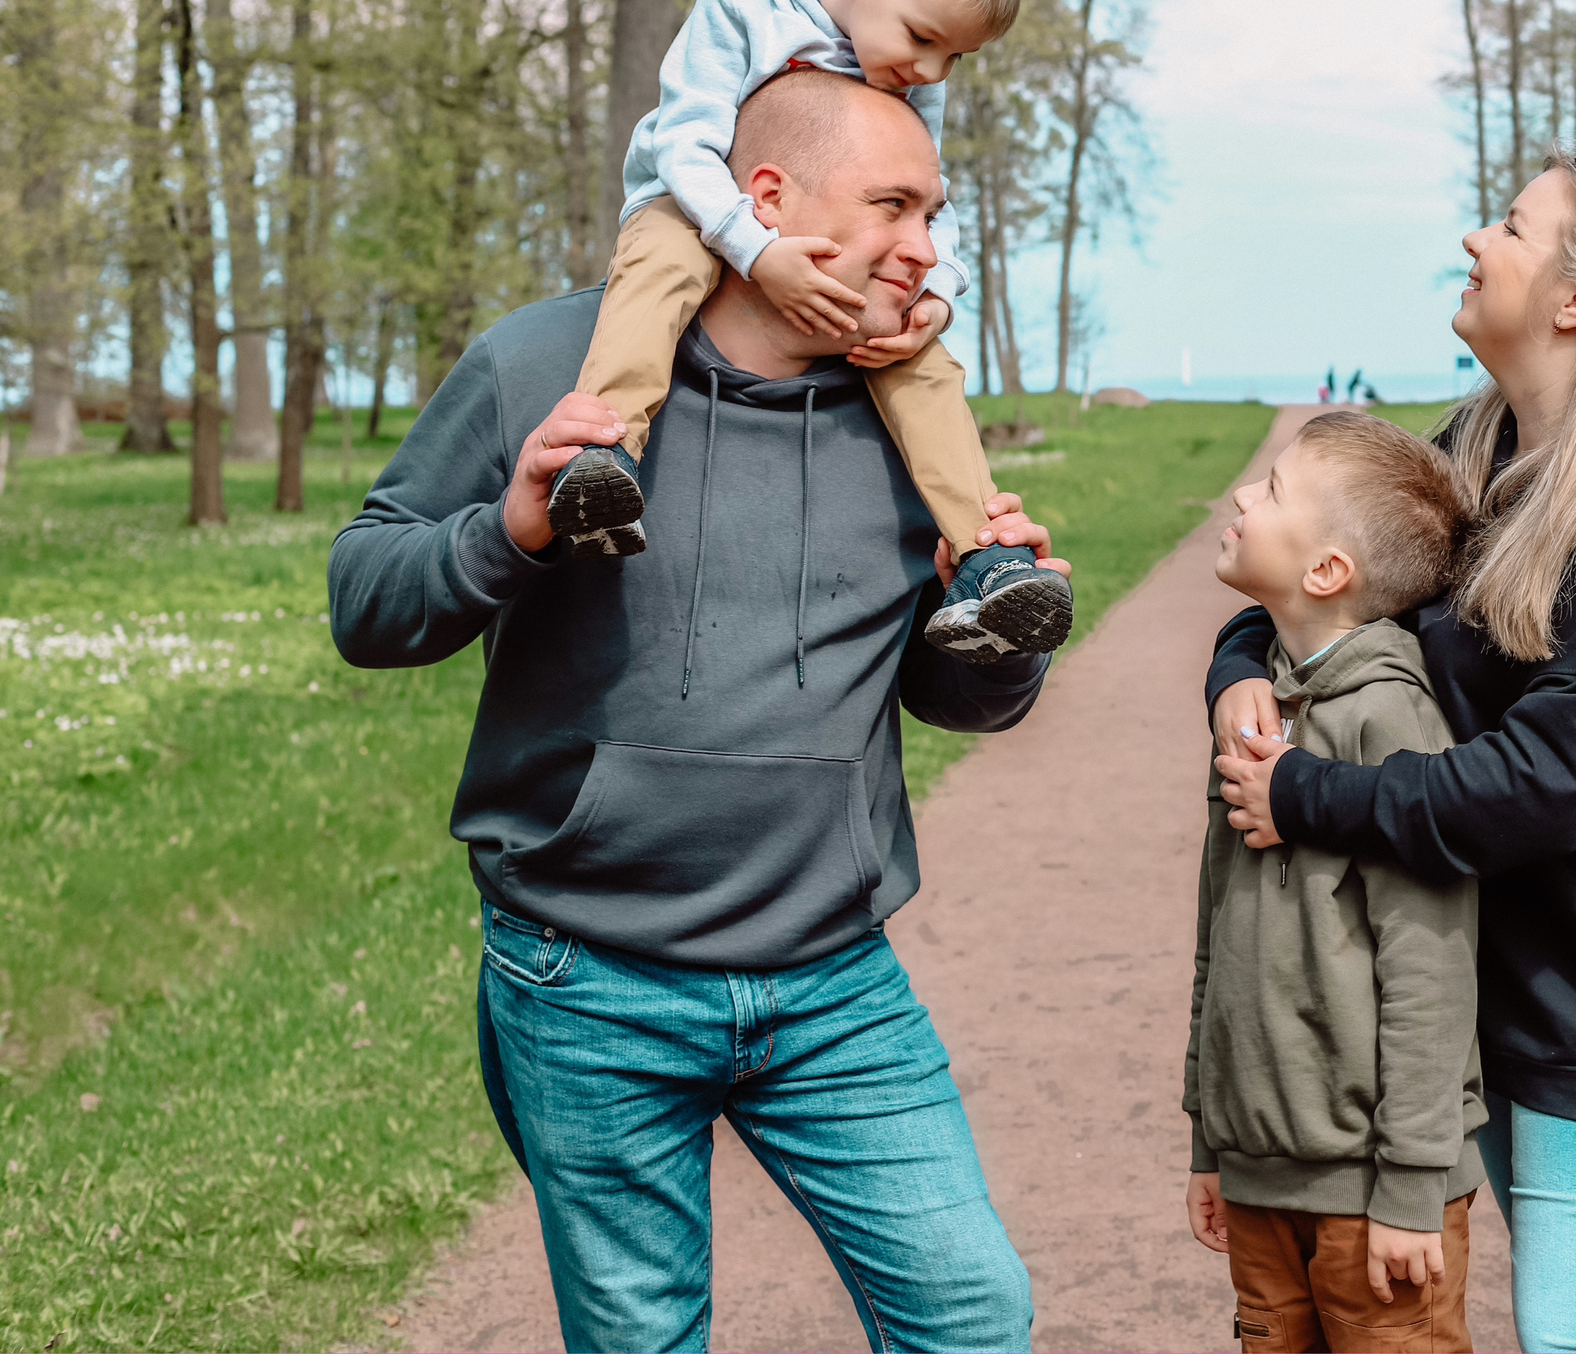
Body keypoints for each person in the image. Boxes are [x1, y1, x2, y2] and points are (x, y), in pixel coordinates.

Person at [330, 72, 1061, 1353]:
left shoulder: (912, 412)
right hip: (586, 979)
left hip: (833, 981)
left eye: (934, 212)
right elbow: (365, 600)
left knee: (974, 1316)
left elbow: (946, 695)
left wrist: (995, 643)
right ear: (765, 199)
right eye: (893, 204)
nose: (926, 246)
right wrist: (510, 529)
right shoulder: (549, 362)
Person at [1207, 152, 1576, 1354]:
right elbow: (1338, 567)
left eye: (1512, 226)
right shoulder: (1479, 446)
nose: (1474, 240)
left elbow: (1544, 788)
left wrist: (1307, 796)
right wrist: (1240, 666)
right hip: (1479, 986)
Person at [551, 0, 1073, 662]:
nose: (931, 73)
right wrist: (757, 253)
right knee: (663, 268)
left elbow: (930, 184)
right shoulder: (744, 4)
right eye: (926, 42)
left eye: (956, 60)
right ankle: (601, 456)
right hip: (694, 202)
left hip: (811, 236)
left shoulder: (903, 45)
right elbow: (686, 143)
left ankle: (987, 558)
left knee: (914, 354)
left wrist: (937, 292)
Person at [1183, 413, 1482, 1354]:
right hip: (1259, 1177)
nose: (1242, 495)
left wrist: (1411, 1185)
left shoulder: (1394, 720)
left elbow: (1432, 967)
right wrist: (1209, 1141)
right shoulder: (1255, 705)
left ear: (1327, 571)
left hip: (1376, 1200)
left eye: (1271, 491)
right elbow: (1218, 937)